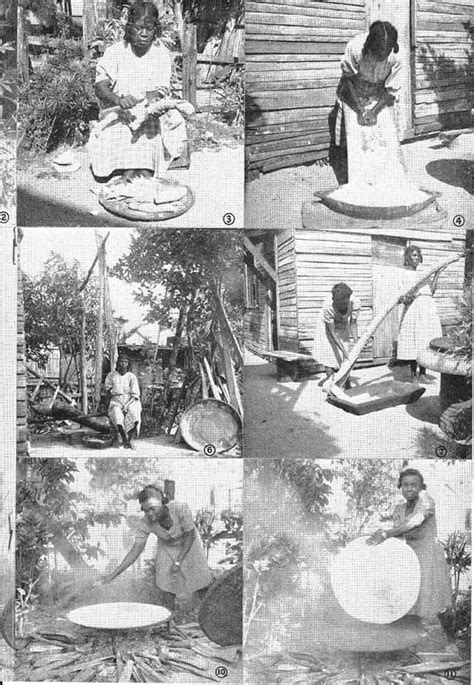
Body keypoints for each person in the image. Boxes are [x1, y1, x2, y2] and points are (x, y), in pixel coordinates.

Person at [88, 1, 186, 181]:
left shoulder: (160, 53)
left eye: (149, 28)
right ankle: (128, 167)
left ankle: (142, 167)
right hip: (119, 111)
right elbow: (100, 87)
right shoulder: (115, 51)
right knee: (117, 131)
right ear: (130, 27)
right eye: (139, 28)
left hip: (151, 111)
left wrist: (154, 96)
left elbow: (162, 88)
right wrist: (118, 100)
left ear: (155, 29)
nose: (144, 33)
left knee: (150, 122)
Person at [102, 485, 212, 611]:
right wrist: (113, 575)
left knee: (199, 578)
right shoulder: (144, 523)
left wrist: (178, 561)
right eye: (145, 510)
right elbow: (135, 551)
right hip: (167, 547)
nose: (149, 514)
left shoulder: (180, 508)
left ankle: (206, 611)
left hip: (189, 543)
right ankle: (169, 617)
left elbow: (190, 535)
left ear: (163, 502)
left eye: (152, 509)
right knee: (165, 581)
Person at [367, 469, 452, 621]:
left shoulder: (426, 501)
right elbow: (398, 534)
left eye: (414, 485)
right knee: (411, 595)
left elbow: (415, 522)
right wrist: (378, 539)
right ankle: (412, 632)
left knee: (431, 597)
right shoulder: (399, 509)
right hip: (410, 554)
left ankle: (449, 637)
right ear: (401, 487)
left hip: (428, 554)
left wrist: (386, 534)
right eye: (405, 485)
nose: (409, 488)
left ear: (421, 487)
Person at [332, 21, 407, 189]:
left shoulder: (398, 56)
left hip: (382, 95)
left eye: (385, 54)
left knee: (383, 137)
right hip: (355, 91)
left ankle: (384, 176)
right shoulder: (355, 48)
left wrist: (374, 110)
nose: (382, 57)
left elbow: (392, 89)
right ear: (369, 46)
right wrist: (359, 109)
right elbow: (348, 80)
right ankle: (355, 179)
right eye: (378, 53)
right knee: (355, 136)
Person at [397, 245, 443, 382]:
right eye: (414, 255)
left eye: (418, 255)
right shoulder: (403, 274)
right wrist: (407, 297)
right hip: (414, 309)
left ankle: (422, 374)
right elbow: (403, 297)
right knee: (414, 339)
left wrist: (437, 274)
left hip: (427, 309)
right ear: (407, 258)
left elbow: (431, 291)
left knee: (425, 339)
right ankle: (413, 377)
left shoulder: (423, 274)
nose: (417, 258)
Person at [313, 282, 361, 387]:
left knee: (345, 354)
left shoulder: (355, 303)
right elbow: (333, 333)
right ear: (334, 300)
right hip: (328, 326)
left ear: (349, 299)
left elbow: (353, 323)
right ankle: (331, 382)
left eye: (345, 303)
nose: (343, 306)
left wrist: (357, 343)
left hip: (343, 323)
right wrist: (344, 352)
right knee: (329, 351)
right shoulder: (328, 306)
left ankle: (346, 382)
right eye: (340, 304)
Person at [105, 355, 142, 449]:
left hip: (130, 400)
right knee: (117, 414)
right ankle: (124, 438)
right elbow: (108, 390)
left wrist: (127, 405)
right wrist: (117, 401)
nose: (123, 364)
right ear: (118, 363)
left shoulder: (131, 377)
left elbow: (135, 394)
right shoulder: (111, 375)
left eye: (125, 362)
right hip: (116, 400)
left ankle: (131, 439)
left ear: (128, 364)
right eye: (121, 361)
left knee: (134, 413)